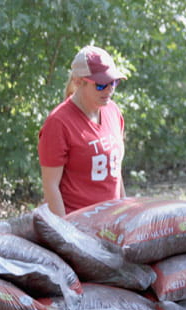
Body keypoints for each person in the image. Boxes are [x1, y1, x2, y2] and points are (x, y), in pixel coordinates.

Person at [38, 45, 128, 216]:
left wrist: (124, 214)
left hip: (111, 223)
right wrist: (65, 234)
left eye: (113, 82)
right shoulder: (58, 122)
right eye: (101, 85)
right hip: (79, 226)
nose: (110, 89)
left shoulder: (113, 111)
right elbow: (50, 187)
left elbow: (115, 173)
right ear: (79, 81)